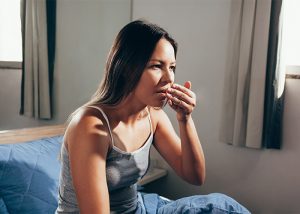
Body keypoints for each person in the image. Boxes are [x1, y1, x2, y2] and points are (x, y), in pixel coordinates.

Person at [55, 20, 250, 214]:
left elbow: (195, 176)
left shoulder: (153, 116)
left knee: (221, 206)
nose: (169, 78)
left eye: (172, 67)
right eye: (157, 66)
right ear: (126, 68)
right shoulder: (90, 125)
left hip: (139, 208)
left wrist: (185, 119)